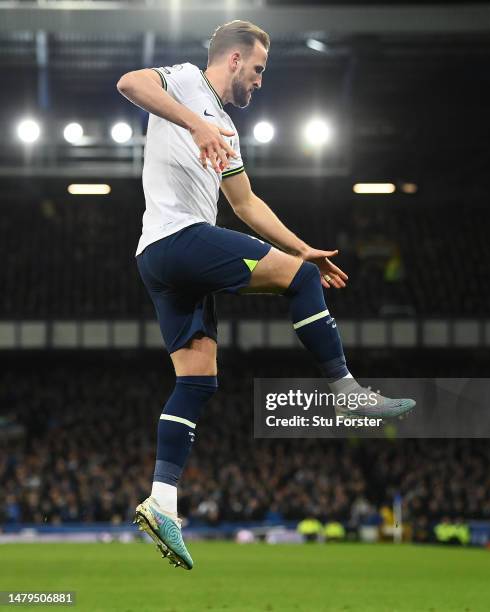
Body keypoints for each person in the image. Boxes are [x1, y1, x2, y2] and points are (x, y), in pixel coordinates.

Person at [117, 19, 415, 570]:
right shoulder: (184, 80)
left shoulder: (227, 127)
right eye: (257, 70)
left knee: (198, 381)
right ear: (233, 60)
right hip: (176, 240)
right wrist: (193, 125)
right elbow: (130, 83)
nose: (259, 81)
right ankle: (347, 391)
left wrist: (304, 250)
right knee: (296, 283)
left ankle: (162, 502)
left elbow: (247, 204)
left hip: (161, 262)